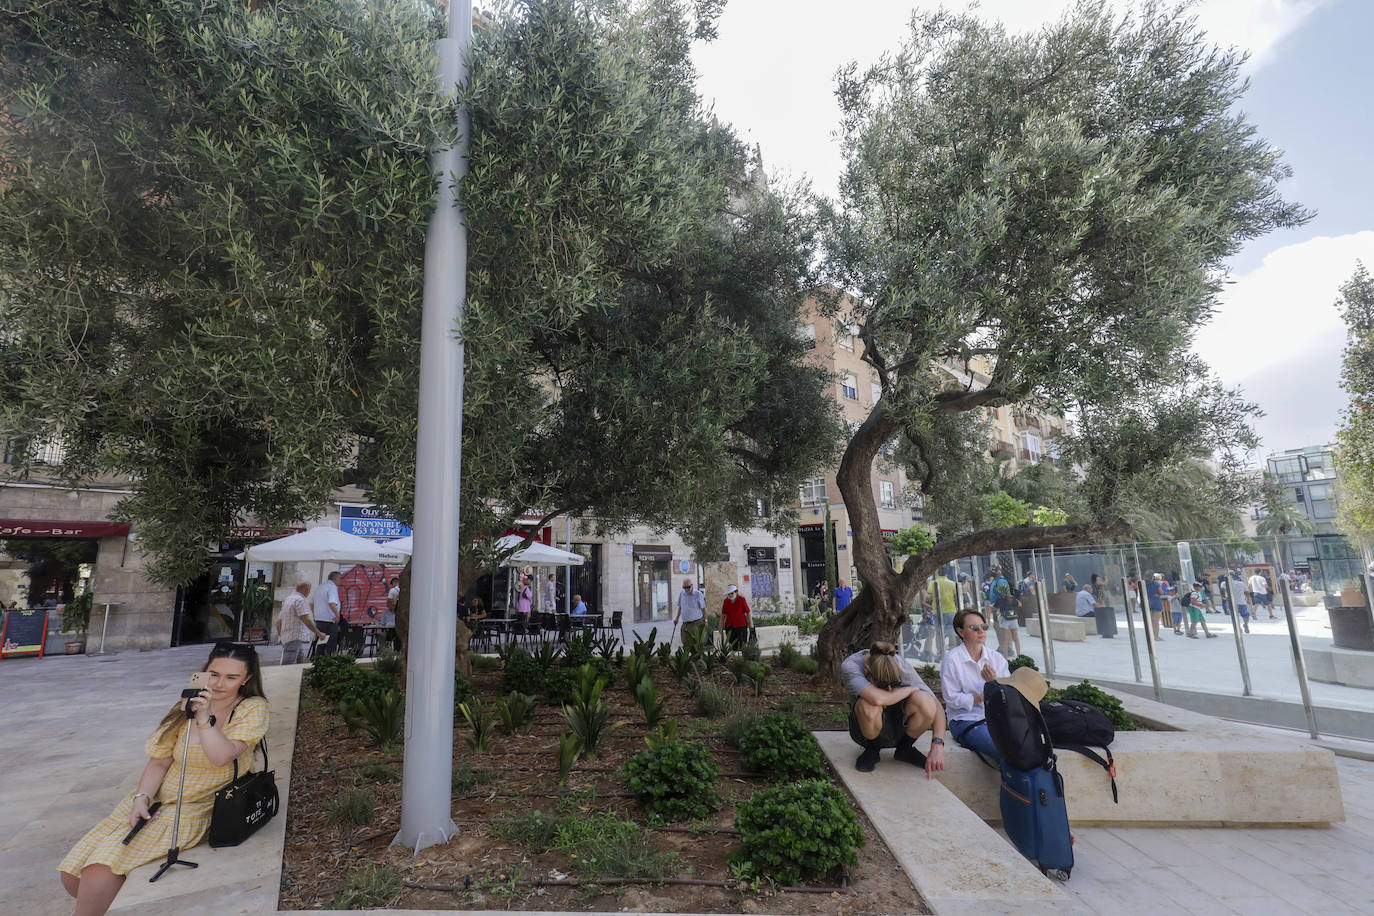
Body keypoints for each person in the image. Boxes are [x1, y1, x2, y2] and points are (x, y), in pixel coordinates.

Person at [59, 642, 270, 916]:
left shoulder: (251, 708)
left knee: (101, 868)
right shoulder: (186, 704)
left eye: (231, 677)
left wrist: (204, 719)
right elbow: (159, 761)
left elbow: (222, 756)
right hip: (159, 797)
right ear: (205, 671)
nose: (219, 684)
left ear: (247, 679)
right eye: (214, 674)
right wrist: (141, 798)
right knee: (72, 872)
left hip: (198, 804)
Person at [841, 641, 946, 776]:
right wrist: (909, 689)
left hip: (897, 722)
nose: (889, 689)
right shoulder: (851, 666)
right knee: (869, 705)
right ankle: (872, 749)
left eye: (893, 684)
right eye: (883, 686)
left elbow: (936, 704)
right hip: (865, 729)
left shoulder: (896, 662)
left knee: (925, 701)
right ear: (867, 672)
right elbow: (877, 699)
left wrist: (938, 744)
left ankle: (905, 749)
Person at [940, 608, 1012, 763]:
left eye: (984, 627)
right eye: (974, 628)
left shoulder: (996, 658)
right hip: (965, 720)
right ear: (960, 632)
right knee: (1004, 752)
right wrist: (981, 697)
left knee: (1025, 749)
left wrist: (994, 684)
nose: (981, 631)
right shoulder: (952, 660)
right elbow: (951, 699)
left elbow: (1010, 694)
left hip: (997, 718)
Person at [276, 581, 321, 665]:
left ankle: (299, 676)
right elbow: (306, 620)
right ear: (306, 589)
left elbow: (278, 621)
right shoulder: (299, 600)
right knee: (287, 664)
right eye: (309, 590)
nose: (309, 592)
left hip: (289, 636)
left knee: (300, 658)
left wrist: (280, 636)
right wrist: (318, 633)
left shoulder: (288, 599)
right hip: (294, 636)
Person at [929, 566, 960, 653]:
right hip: (950, 610)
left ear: (937, 573)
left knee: (938, 632)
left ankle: (940, 652)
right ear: (947, 573)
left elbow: (929, 597)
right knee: (951, 632)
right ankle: (953, 651)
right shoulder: (952, 583)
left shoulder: (932, 583)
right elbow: (956, 598)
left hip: (937, 611)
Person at [311, 570, 342, 655]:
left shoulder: (320, 587)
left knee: (321, 644)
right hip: (329, 621)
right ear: (335, 579)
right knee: (330, 646)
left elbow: (311, 603)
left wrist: (315, 614)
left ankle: (319, 661)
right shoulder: (332, 588)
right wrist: (337, 615)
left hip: (319, 620)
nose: (341, 580)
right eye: (340, 578)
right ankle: (329, 663)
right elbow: (332, 603)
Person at [1146, 573, 1166, 640]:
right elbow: (1161, 592)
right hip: (1156, 601)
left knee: (1151, 620)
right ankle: (1156, 636)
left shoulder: (1144, 584)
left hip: (1148, 602)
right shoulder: (1156, 584)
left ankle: (1151, 635)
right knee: (1156, 621)